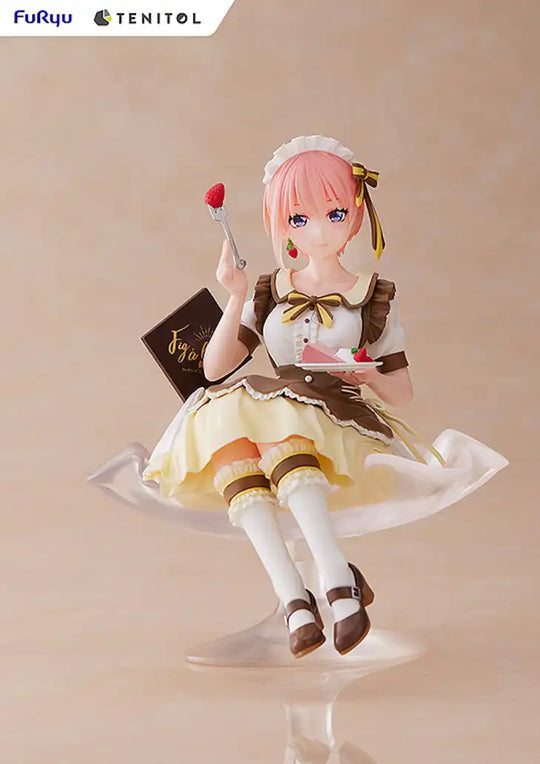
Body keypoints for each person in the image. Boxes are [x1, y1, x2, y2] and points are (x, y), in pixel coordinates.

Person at [91, 135, 509, 659]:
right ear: (281, 224)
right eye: (298, 218)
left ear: (355, 215)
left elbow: (402, 393)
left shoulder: (372, 295)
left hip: (342, 417)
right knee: (228, 423)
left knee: (269, 424)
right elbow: (215, 369)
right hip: (277, 408)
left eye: (334, 214)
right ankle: (295, 595)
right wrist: (236, 295)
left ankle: (334, 580)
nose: (318, 230)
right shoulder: (270, 289)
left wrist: (367, 376)